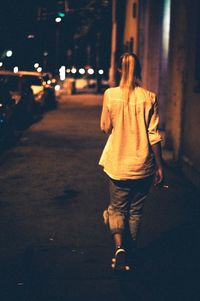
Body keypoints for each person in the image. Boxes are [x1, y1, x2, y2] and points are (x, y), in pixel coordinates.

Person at [99, 52, 164, 271]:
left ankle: (119, 249)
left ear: (119, 70)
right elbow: (154, 135)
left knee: (117, 210)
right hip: (143, 165)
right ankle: (131, 253)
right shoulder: (150, 97)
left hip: (118, 163)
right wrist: (160, 165)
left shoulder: (110, 95)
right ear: (138, 70)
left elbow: (105, 127)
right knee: (135, 213)